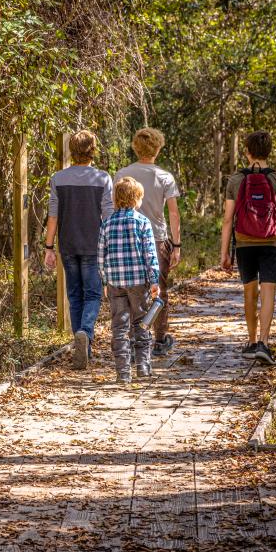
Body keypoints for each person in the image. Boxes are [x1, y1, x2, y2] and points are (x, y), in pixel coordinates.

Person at [219, 131, 276, 364]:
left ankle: (252, 342)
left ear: (247, 151)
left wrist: (224, 253)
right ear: (269, 151)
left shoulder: (235, 180)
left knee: (249, 293)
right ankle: (264, 343)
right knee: (268, 293)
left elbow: (227, 219)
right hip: (271, 243)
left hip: (244, 243)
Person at [44, 130, 114, 370]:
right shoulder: (103, 179)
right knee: (93, 294)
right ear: (93, 150)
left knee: (74, 295)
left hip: (68, 244)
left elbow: (53, 216)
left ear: (71, 151)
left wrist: (49, 247)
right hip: (95, 246)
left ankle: (81, 345)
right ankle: (85, 332)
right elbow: (109, 216)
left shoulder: (58, 178)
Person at [115, 128, 182, 356]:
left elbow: (114, 207)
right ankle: (160, 339)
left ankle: (137, 338)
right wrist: (177, 244)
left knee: (133, 289)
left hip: (127, 239)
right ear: (158, 148)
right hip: (156, 239)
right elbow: (173, 213)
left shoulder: (122, 174)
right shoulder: (164, 177)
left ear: (135, 146)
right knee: (158, 290)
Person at [99, 177, 161, 385]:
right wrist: (154, 281)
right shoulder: (143, 223)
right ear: (137, 200)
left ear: (116, 200)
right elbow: (150, 255)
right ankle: (143, 366)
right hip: (138, 282)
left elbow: (101, 256)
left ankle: (123, 372)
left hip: (116, 283)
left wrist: (105, 281)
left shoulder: (106, 223)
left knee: (119, 326)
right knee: (141, 323)